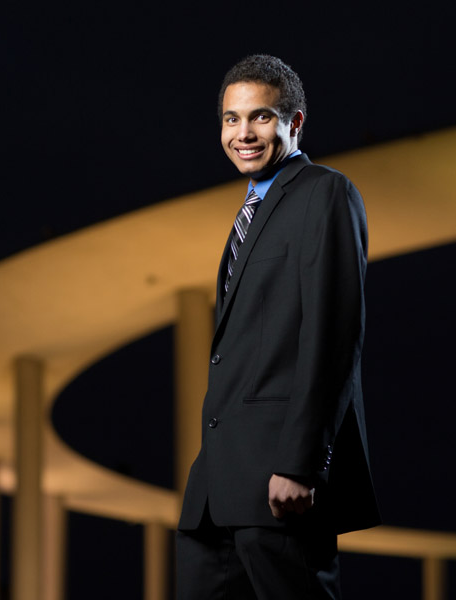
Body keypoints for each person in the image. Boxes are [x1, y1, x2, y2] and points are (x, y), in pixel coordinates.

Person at [176, 54, 381, 599]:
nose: (243, 133)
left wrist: (302, 464)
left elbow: (334, 336)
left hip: (279, 485)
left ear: (294, 123)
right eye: (231, 119)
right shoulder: (253, 210)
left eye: (260, 117)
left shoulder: (324, 193)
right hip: (216, 491)